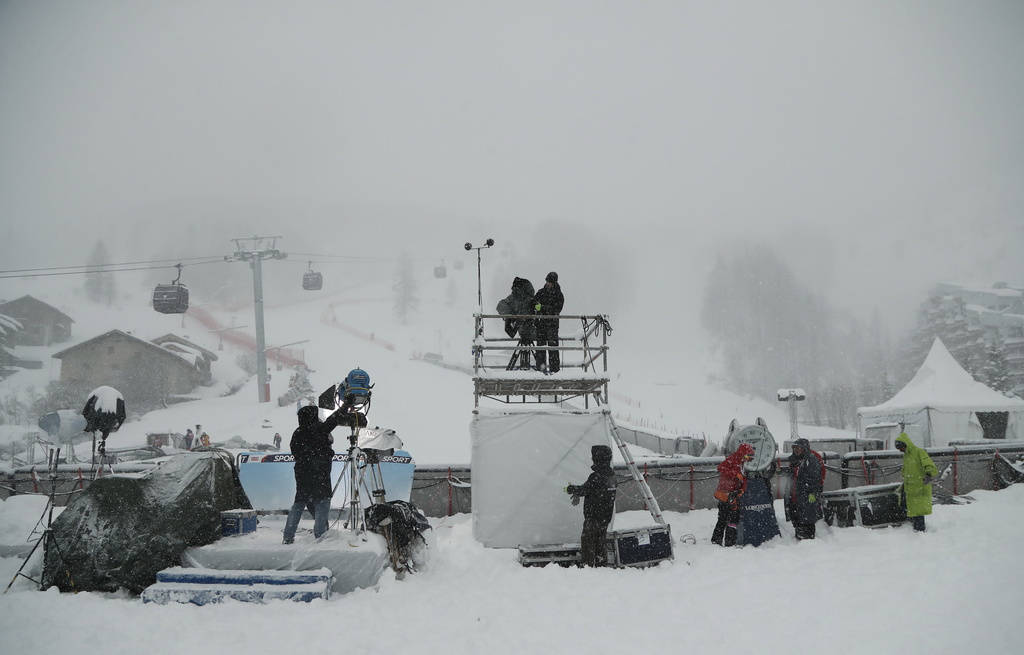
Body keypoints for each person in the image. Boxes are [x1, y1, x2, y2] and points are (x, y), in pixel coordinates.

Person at [282, 404, 367, 544]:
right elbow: (333, 420)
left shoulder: (298, 432)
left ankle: (288, 536)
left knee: (298, 504)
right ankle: (320, 536)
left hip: (302, 473)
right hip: (320, 473)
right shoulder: (319, 429)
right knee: (322, 503)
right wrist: (345, 406)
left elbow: (295, 452)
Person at [565, 445, 617, 567]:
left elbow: (585, 489)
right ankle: (601, 565)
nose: (592, 459)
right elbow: (595, 491)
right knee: (600, 543)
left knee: (588, 543)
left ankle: (587, 567)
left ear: (598, 458)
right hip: (605, 517)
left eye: (594, 457)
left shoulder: (596, 476)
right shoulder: (612, 476)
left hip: (593, 517)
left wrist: (572, 489)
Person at [711, 443, 754, 546]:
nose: (748, 459)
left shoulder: (743, 464)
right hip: (725, 494)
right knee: (723, 518)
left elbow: (744, 479)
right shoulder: (733, 459)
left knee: (733, 519)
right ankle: (717, 541)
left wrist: (742, 490)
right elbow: (720, 467)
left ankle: (729, 542)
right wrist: (735, 474)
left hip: (733, 495)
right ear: (743, 453)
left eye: (750, 457)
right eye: (747, 456)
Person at [896, 432, 938, 532]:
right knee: (912, 510)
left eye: (901, 448)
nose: (901, 451)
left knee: (918, 511)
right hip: (910, 489)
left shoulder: (919, 452)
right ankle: (915, 530)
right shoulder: (906, 455)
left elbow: (930, 465)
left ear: (905, 444)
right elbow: (906, 470)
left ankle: (920, 532)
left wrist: (928, 474)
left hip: (920, 487)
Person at [785, 438, 823, 540]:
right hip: (795, 497)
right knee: (797, 518)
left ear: (804, 448)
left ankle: (807, 540)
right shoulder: (794, 461)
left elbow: (815, 478)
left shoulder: (811, 460)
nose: (796, 450)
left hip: (805, 496)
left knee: (806, 519)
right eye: (794, 448)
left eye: (798, 448)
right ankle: (800, 535)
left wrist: (813, 492)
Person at [496, 277, 537, 370]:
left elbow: (500, 307)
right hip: (530, 328)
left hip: (524, 328)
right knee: (537, 354)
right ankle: (540, 370)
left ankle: (511, 372)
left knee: (518, 353)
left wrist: (512, 316)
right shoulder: (530, 297)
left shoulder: (514, 297)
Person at [533, 272, 564, 373]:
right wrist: (536, 306)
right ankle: (541, 371)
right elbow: (533, 302)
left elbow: (556, 310)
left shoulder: (559, 295)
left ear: (554, 283)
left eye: (549, 282)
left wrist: (542, 308)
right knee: (541, 349)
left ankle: (554, 371)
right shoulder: (541, 292)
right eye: (547, 281)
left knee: (552, 349)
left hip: (551, 325)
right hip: (542, 324)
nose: (547, 283)